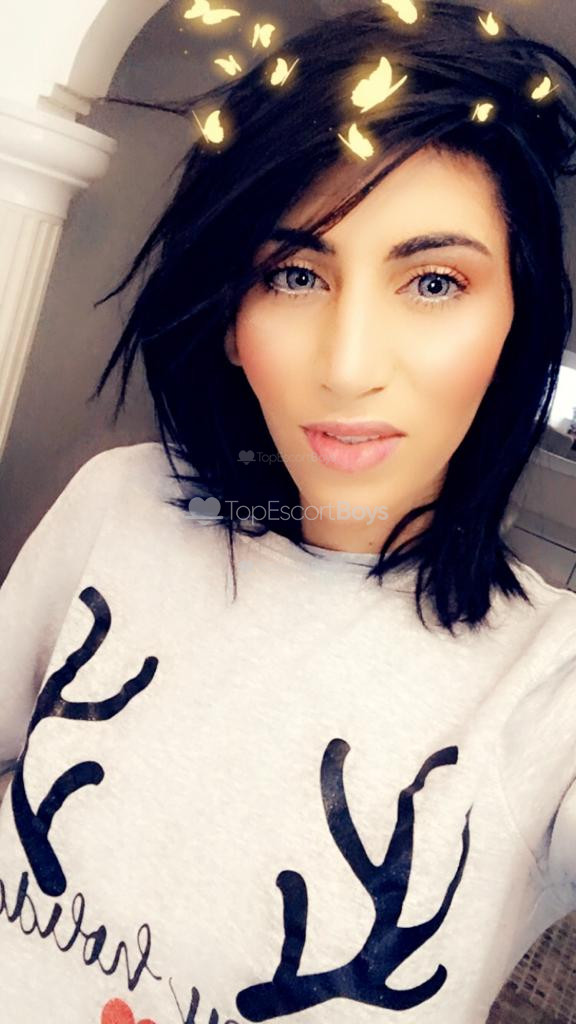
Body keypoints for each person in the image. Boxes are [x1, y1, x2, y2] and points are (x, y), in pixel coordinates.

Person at [1, 1, 576, 1021]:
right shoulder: (117, 503)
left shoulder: (552, 684)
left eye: (434, 282)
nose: (348, 366)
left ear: (515, 324)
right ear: (233, 318)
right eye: (296, 273)